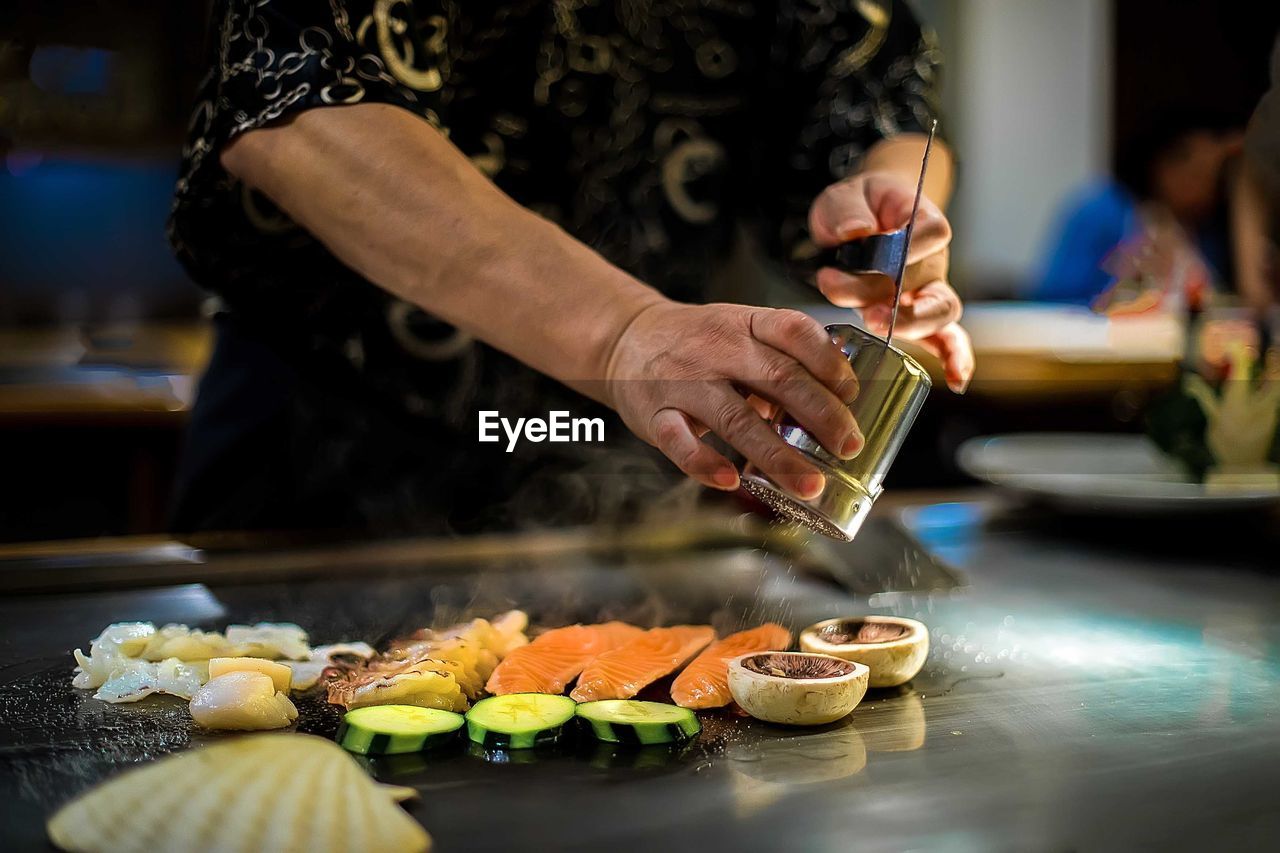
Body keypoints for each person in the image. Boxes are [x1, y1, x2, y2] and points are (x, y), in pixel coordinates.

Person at [168, 0, 972, 536]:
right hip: (334, 436)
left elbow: (877, 92)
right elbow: (294, 105)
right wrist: (623, 332)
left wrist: (892, 210)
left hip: (613, 451)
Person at [1032, 113, 1245, 307]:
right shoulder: (1102, 210)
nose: (1209, 190)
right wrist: (1119, 290)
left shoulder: (1206, 231)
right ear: (1165, 166)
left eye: (1216, 180)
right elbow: (1051, 299)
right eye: (1200, 174)